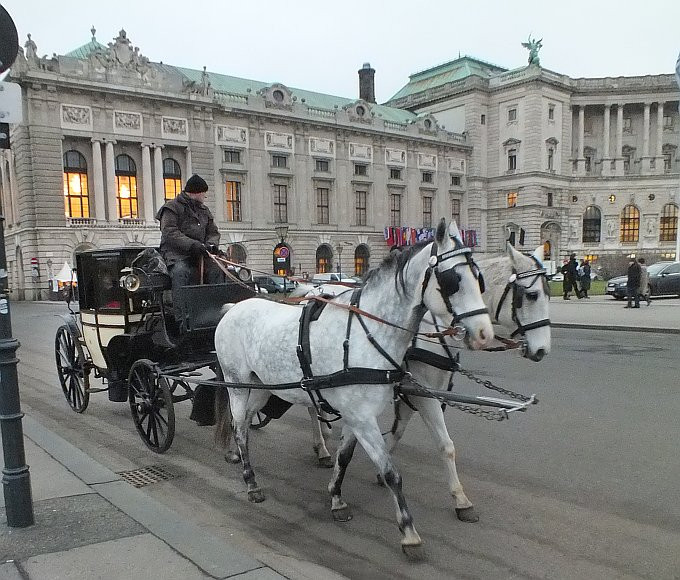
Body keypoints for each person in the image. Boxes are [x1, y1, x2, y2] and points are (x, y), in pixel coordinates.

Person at [156, 174, 224, 321]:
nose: (204, 196)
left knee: (216, 269)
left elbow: (213, 232)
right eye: (204, 193)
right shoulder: (171, 208)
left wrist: (211, 245)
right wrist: (193, 245)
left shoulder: (204, 211)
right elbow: (170, 232)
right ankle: (183, 317)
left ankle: (215, 311)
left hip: (201, 254)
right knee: (181, 272)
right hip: (177, 255)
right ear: (197, 192)